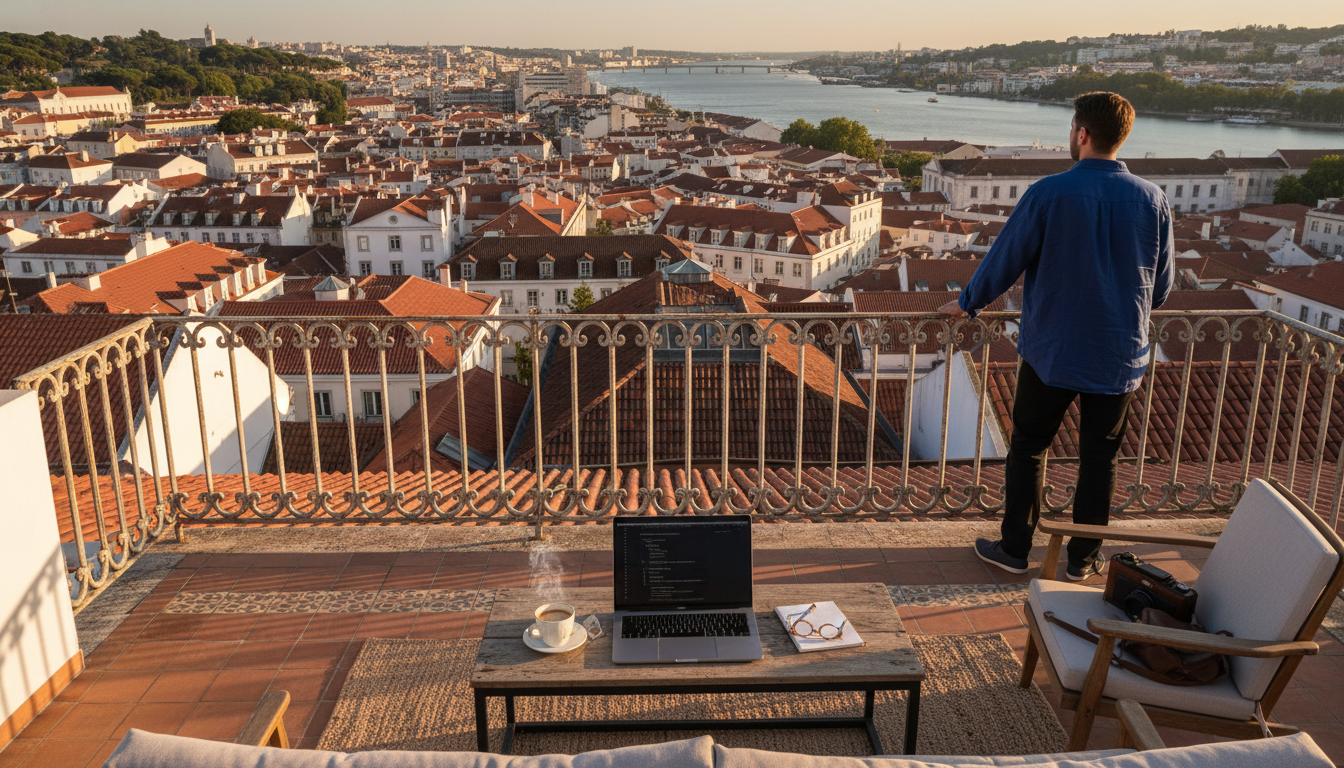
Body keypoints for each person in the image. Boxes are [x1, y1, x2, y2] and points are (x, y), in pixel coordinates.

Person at [939, 91, 1174, 581]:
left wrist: (967, 302)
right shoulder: (1153, 199)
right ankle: (1082, 561)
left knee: (1029, 447)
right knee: (1099, 461)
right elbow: (1163, 285)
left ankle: (1015, 549)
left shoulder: (1048, 193)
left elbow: (1005, 260)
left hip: (1054, 348)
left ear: (1081, 134)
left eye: (1071, 127)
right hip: (1118, 351)